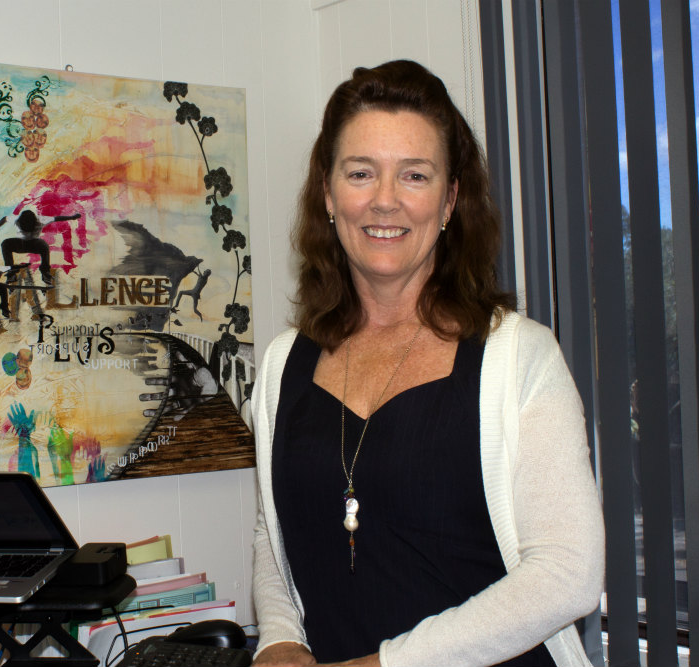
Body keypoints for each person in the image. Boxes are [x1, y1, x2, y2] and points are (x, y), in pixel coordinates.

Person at [251, 60, 604, 667]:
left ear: (449, 201)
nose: (384, 201)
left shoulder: (519, 357)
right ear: (329, 196)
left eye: (415, 175)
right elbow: (276, 529)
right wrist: (280, 636)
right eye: (361, 173)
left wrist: (386, 664)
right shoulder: (285, 364)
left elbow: (569, 572)